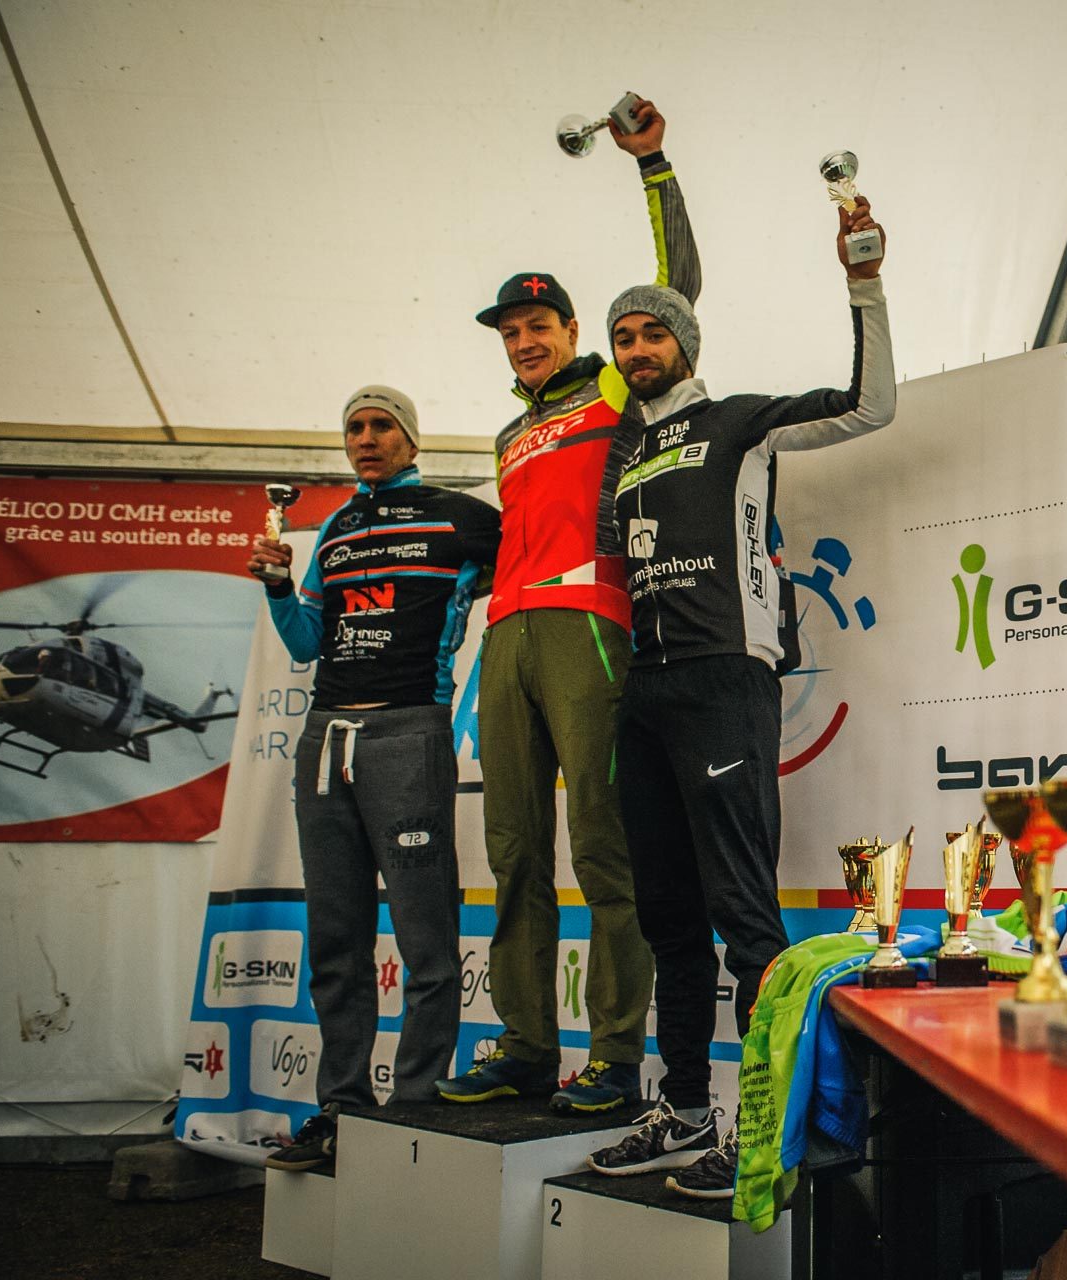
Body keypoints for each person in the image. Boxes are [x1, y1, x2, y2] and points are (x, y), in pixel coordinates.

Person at [585, 195, 893, 1198]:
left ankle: (769, 1129)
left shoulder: (739, 422)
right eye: (623, 337)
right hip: (646, 689)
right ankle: (682, 1106)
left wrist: (863, 283)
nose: (636, 349)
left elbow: (870, 406)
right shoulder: (625, 453)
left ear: (685, 343)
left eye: (651, 333)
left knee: (742, 914)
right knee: (668, 919)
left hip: (726, 677)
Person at [435, 97, 701, 1115]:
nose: (523, 341)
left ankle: (617, 1053)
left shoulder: (612, 391)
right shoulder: (510, 435)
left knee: (602, 841)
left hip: (589, 622)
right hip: (505, 637)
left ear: (572, 330)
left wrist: (653, 166)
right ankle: (523, 1044)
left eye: (537, 326)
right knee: (511, 849)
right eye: (510, 332)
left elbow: (675, 294)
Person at [251, 386, 501, 1171]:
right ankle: (342, 1108)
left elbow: (528, 570)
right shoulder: (336, 528)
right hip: (325, 737)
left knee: (426, 938)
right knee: (336, 937)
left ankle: (415, 1106)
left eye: (381, 425)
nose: (365, 438)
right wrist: (278, 586)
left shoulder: (458, 517)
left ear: (411, 440)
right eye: (354, 427)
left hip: (408, 731)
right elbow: (305, 642)